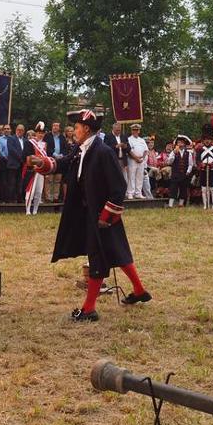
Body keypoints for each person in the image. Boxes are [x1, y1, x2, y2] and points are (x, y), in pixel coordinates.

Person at [34, 109, 151, 322]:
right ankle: (139, 289)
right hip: (89, 213)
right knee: (116, 252)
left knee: (97, 259)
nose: (74, 131)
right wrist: (44, 163)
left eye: (77, 127)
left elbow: (119, 187)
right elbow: (65, 162)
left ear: (86, 129)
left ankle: (88, 309)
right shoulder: (81, 149)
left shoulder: (103, 152)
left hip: (103, 215)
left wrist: (107, 215)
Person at [21, 122, 52, 215]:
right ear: (36, 133)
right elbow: (25, 156)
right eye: (39, 133)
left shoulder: (45, 144)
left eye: (42, 133)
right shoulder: (29, 143)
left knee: (39, 191)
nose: (40, 135)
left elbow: (47, 157)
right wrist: (32, 164)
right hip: (32, 170)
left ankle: (35, 210)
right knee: (30, 191)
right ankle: (27, 210)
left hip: (41, 170)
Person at [196, 121, 213, 210]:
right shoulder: (199, 149)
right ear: (203, 140)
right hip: (203, 170)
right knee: (204, 188)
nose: (207, 141)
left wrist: (212, 165)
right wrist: (201, 164)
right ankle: (205, 204)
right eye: (205, 139)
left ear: (211, 140)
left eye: (209, 139)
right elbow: (198, 159)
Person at [45, 121, 68, 203]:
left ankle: (55, 197)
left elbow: (66, 148)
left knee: (57, 180)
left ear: (59, 128)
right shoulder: (47, 136)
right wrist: (54, 154)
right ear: (52, 126)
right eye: (54, 125)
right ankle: (48, 197)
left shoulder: (62, 137)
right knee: (49, 179)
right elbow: (46, 147)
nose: (55, 127)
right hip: (50, 160)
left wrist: (62, 155)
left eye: (57, 126)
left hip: (60, 161)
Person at [168, 135, 194, 207]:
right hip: (175, 173)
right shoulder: (173, 152)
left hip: (184, 174)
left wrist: (188, 172)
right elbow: (169, 162)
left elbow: (190, 164)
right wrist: (173, 153)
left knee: (183, 189)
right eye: (179, 143)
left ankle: (181, 204)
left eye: (182, 143)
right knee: (173, 189)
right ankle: (170, 205)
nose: (180, 144)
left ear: (184, 144)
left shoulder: (188, 153)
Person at [125, 123, 148, 199]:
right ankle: (130, 193)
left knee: (139, 177)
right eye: (134, 130)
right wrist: (136, 158)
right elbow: (129, 151)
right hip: (132, 160)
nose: (135, 131)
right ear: (131, 131)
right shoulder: (128, 139)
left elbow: (145, 150)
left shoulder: (142, 140)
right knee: (131, 176)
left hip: (141, 160)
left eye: (137, 130)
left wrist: (142, 158)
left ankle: (138, 193)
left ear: (139, 131)